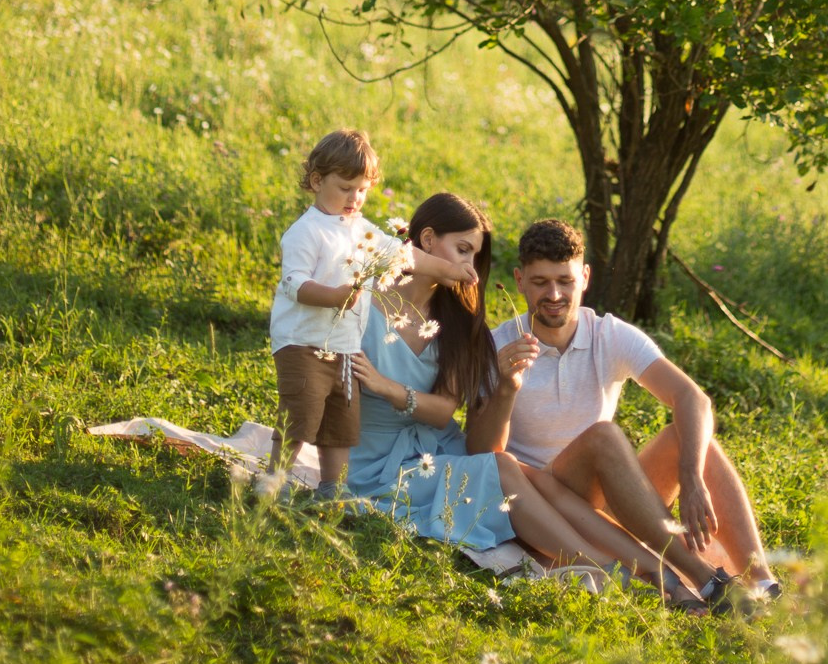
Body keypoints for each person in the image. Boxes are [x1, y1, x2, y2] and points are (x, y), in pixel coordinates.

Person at [345, 192, 708, 602]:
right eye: (463, 250)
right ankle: (610, 572)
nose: (470, 268)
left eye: (475, 256)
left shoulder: (457, 320)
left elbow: (444, 410)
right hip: (378, 464)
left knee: (518, 468)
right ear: (427, 240)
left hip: (437, 448)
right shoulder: (360, 299)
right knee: (505, 465)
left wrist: (388, 388)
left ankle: (668, 577)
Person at [472, 218, 779, 605]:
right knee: (603, 437)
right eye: (540, 282)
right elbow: (483, 457)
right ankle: (700, 577)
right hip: (540, 509)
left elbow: (692, 398)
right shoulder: (496, 346)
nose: (554, 294)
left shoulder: (606, 333)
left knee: (691, 441)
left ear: (585, 277)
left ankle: (763, 583)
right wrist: (505, 387)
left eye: (565, 281)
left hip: (606, 504)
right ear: (519, 280)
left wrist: (691, 477)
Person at [269, 129, 478, 501]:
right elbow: (294, 284)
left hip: (344, 346)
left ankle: (332, 488)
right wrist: (335, 296)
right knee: (301, 413)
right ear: (317, 182)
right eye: (346, 188)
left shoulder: (362, 231)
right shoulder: (306, 231)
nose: (355, 198)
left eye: (363, 190)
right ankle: (274, 481)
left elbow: (405, 255)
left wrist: (450, 270)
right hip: (303, 342)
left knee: (341, 422)